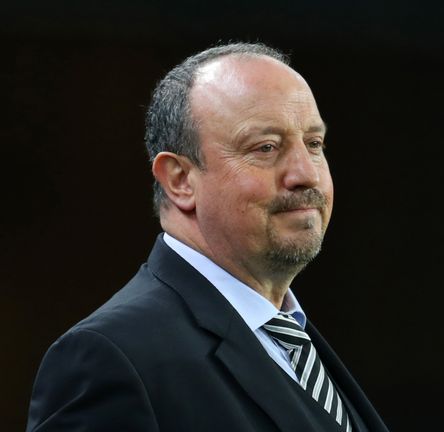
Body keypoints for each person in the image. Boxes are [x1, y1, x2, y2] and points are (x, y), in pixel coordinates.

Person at [26, 42, 389, 432]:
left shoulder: (294, 339)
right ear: (180, 180)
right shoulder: (111, 357)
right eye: (265, 147)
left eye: (314, 144)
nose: (306, 173)